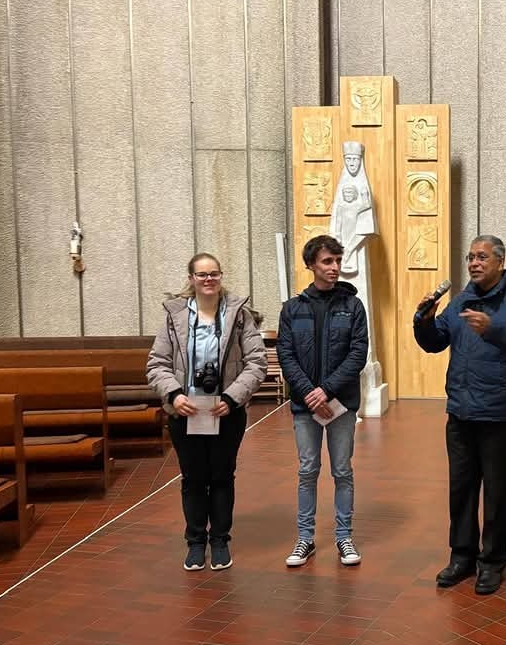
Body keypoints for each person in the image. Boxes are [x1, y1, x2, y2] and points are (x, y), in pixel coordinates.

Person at [414, 235, 506, 596]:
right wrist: (424, 321)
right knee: (461, 488)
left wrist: (494, 329)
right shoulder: (461, 300)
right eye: (470, 257)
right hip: (460, 410)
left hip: (498, 412)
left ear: (500, 262)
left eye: (482, 257)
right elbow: (435, 342)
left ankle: (492, 562)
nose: (473, 263)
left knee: (497, 492)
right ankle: (461, 557)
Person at [147, 252, 267, 572]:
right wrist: (174, 394)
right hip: (185, 411)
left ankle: (220, 540)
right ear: (191, 279)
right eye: (202, 275)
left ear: (221, 276)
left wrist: (232, 396)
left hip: (225, 410)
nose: (209, 279)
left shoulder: (239, 315)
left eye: (214, 273)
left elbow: (257, 363)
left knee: (222, 475)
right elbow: (157, 364)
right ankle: (196, 542)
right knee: (194, 478)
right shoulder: (174, 317)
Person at [277, 235, 369, 568]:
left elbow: (358, 354)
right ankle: (305, 538)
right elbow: (286, 354)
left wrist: (326, 389)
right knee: (307, 470)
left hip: (340, 403)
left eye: (337, 261)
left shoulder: (353, 306)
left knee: (342, 470)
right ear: (311, 265)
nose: (334, 267)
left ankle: (344, 536)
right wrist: (309, 392)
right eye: (327, 261)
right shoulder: (293, 308)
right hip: (306, 406)